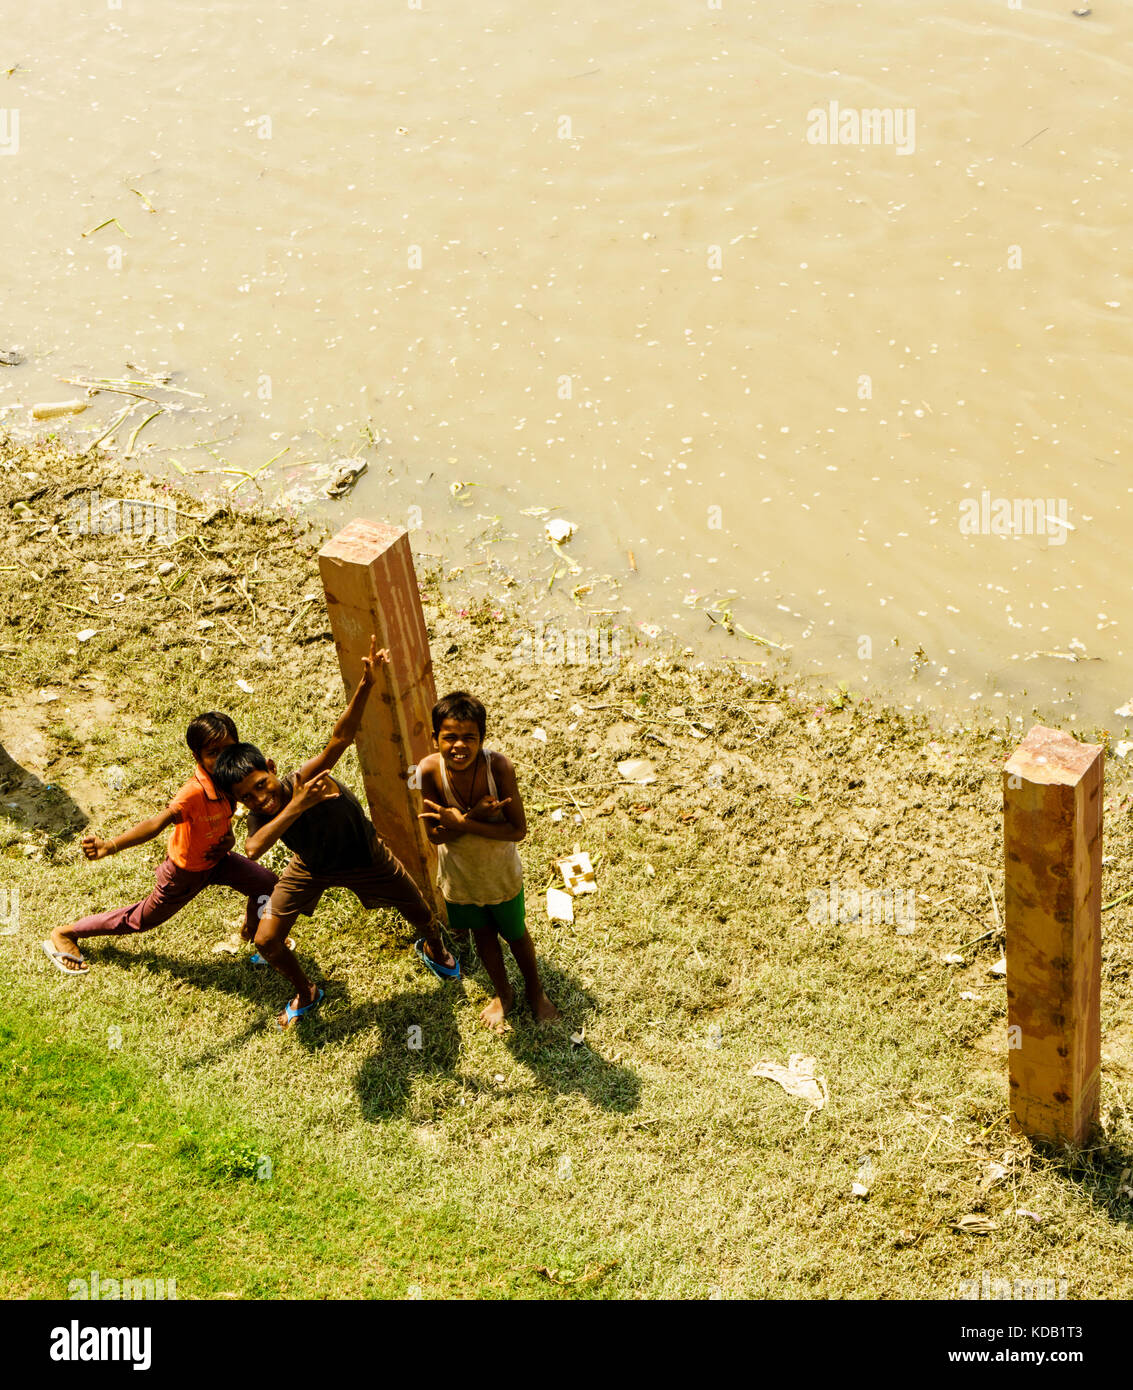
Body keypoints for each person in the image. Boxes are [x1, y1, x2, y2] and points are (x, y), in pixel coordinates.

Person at [213, 636, 459, 1029]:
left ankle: (434, 946)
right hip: (311, 867)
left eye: (262, 784)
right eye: (247, 796)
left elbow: (340, 739)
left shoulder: (303, 779)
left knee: (420, 912)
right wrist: (298, 806)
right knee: (265, 940)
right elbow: (254, 848)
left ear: (272, 769)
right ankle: (307, 991)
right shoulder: (271, 809)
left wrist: (365, 684)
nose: (260, 799)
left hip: (366, 858)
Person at [43, 713, 277, 976]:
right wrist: (111, 845)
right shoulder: (193, 792)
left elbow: (227, 812)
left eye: (228, 749)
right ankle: (66, 933)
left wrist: (229, 838)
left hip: (219, 860)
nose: (223, 758)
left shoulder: (232, 777)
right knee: (139, 920)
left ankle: (254, 934)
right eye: (213, 752)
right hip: (184, 873)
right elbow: (157, 823)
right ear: (197, 757)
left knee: (267, 884)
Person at [417, 690, 559, 1028]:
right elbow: (435, 835)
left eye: (470, 737)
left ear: (483, 738)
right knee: (482, 935)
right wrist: (471, 818)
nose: (459, 746)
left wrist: (463, 821)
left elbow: (517, 830)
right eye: (449, 737)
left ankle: (536, 992)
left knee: (515, 934)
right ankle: (504, 993)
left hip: (500, 874)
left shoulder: (498, 768)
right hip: (460, 875)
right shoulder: (428, 771)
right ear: (434, 737)